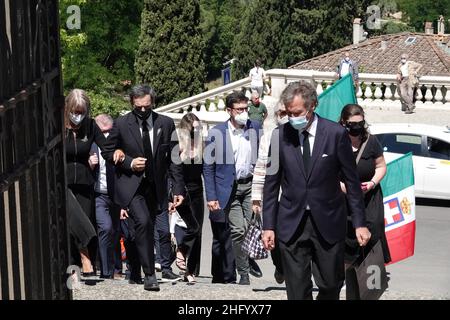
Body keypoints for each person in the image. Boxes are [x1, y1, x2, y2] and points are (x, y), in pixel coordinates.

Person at [262, 81, 371, 300]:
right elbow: (271, 184)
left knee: (331, 284)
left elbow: (351, 182)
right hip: (292, 223)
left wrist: (359, 223)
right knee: (297, 291)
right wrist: (268, 226)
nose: (292, 118)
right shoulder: (279, 136)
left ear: (312, 106)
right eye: (288, 113)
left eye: (297, 113)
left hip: (328, 222)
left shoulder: (336, 134)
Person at [101, 84, 185, 291]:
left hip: (155, 186)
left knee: (138, 230)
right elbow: (107, 151)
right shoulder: (121, 124)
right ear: (132, 104)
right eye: (138, 108)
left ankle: (135, 266)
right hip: (131, 186)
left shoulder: (165, 124)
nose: (143, 112)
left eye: (147, 107)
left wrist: (178, 189)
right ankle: (150, 275)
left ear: (153, 103)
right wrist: (127, 161)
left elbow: (174, 158)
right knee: (144, 223)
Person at [203, 91, 263, 285]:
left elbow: (262, 160)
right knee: (238, 230)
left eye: (246, 108)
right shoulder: (217, 133)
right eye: (239, 109)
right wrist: (211, 196)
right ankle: (243, 271)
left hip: (250, 186)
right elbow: (208, 166)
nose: (244, 112)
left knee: (254, 228)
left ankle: (246, 257)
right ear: (229, 111)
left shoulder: (255, 128)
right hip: (229, 190)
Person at [338, 104, 391, 268]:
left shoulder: (371, 141)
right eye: (353, 124)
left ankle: (368, 273)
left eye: (360, 124)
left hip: (369, 196)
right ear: (344, 123)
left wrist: (373, 183)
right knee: (347, 235)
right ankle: (346, 271)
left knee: (373, 230)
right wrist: (342, 187)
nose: (357, 128)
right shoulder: (336, 141)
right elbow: (327, 170)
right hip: (343, 198)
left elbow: (381, 166)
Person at [64, 89, 109, 277]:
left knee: (86, 221)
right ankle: (82, 259)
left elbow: (107, 147)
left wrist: (119, 153)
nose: (78, 116)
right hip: (63, 181)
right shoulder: (57, 125)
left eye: (82, 112)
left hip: (84, 181)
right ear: (67, 109)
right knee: (71, 222)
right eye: (75, 111)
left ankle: (85, 257)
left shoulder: (90, 126)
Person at [251, 101, 288, 284]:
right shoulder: (269, 138)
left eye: (286, 112)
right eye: (280, 113)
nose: (284, 116)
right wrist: (256, 197)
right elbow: (261, 168)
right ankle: (280, 266)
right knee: (274, 237)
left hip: (294, 198)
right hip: (274, 197)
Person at [168, 112, 204, 284]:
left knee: (198, 231)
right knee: (192, 227)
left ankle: (191, 271)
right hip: (182, 191)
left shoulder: (202, 145)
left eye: (198, 129)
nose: (195, 133)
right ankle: (179, 250)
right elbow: (172, 171)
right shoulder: (177, 144)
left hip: (197, 190)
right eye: (192, 130)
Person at [91, 114, 123, 279]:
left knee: (116, 232)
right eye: (101, 132)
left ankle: (117, 268)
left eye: (108, 132)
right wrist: (89, 163)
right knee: (106, 228)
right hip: (98, 195)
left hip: (116, 195)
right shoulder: (91, 146)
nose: (105, 136)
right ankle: (106, 271)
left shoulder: (119, 146)